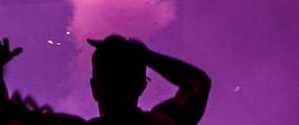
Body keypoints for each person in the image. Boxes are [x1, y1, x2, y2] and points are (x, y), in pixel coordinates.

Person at [79, 35, 211, 125]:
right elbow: (198, 82)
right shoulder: (163, 120)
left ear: (94, 88)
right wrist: (145, 55)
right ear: (142, 85)